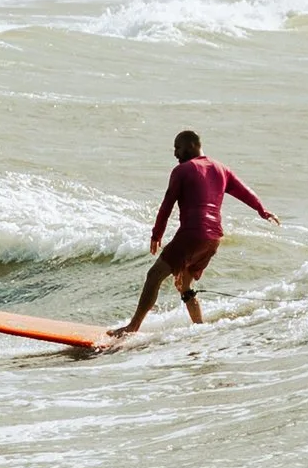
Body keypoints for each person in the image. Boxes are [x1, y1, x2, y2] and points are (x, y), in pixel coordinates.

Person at [115, 130, 278, 337]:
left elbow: (167, 204)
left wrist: (157, 234)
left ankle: (132, 327)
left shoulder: (182, 170)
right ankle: (200, 328)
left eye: (178, 147)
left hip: (192, 234)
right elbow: (245, 192)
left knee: (153, 275)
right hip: (214, 239)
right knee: (184, 284)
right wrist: (262, 210)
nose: (175, 153)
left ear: (192, 145)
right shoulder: (221, 169)